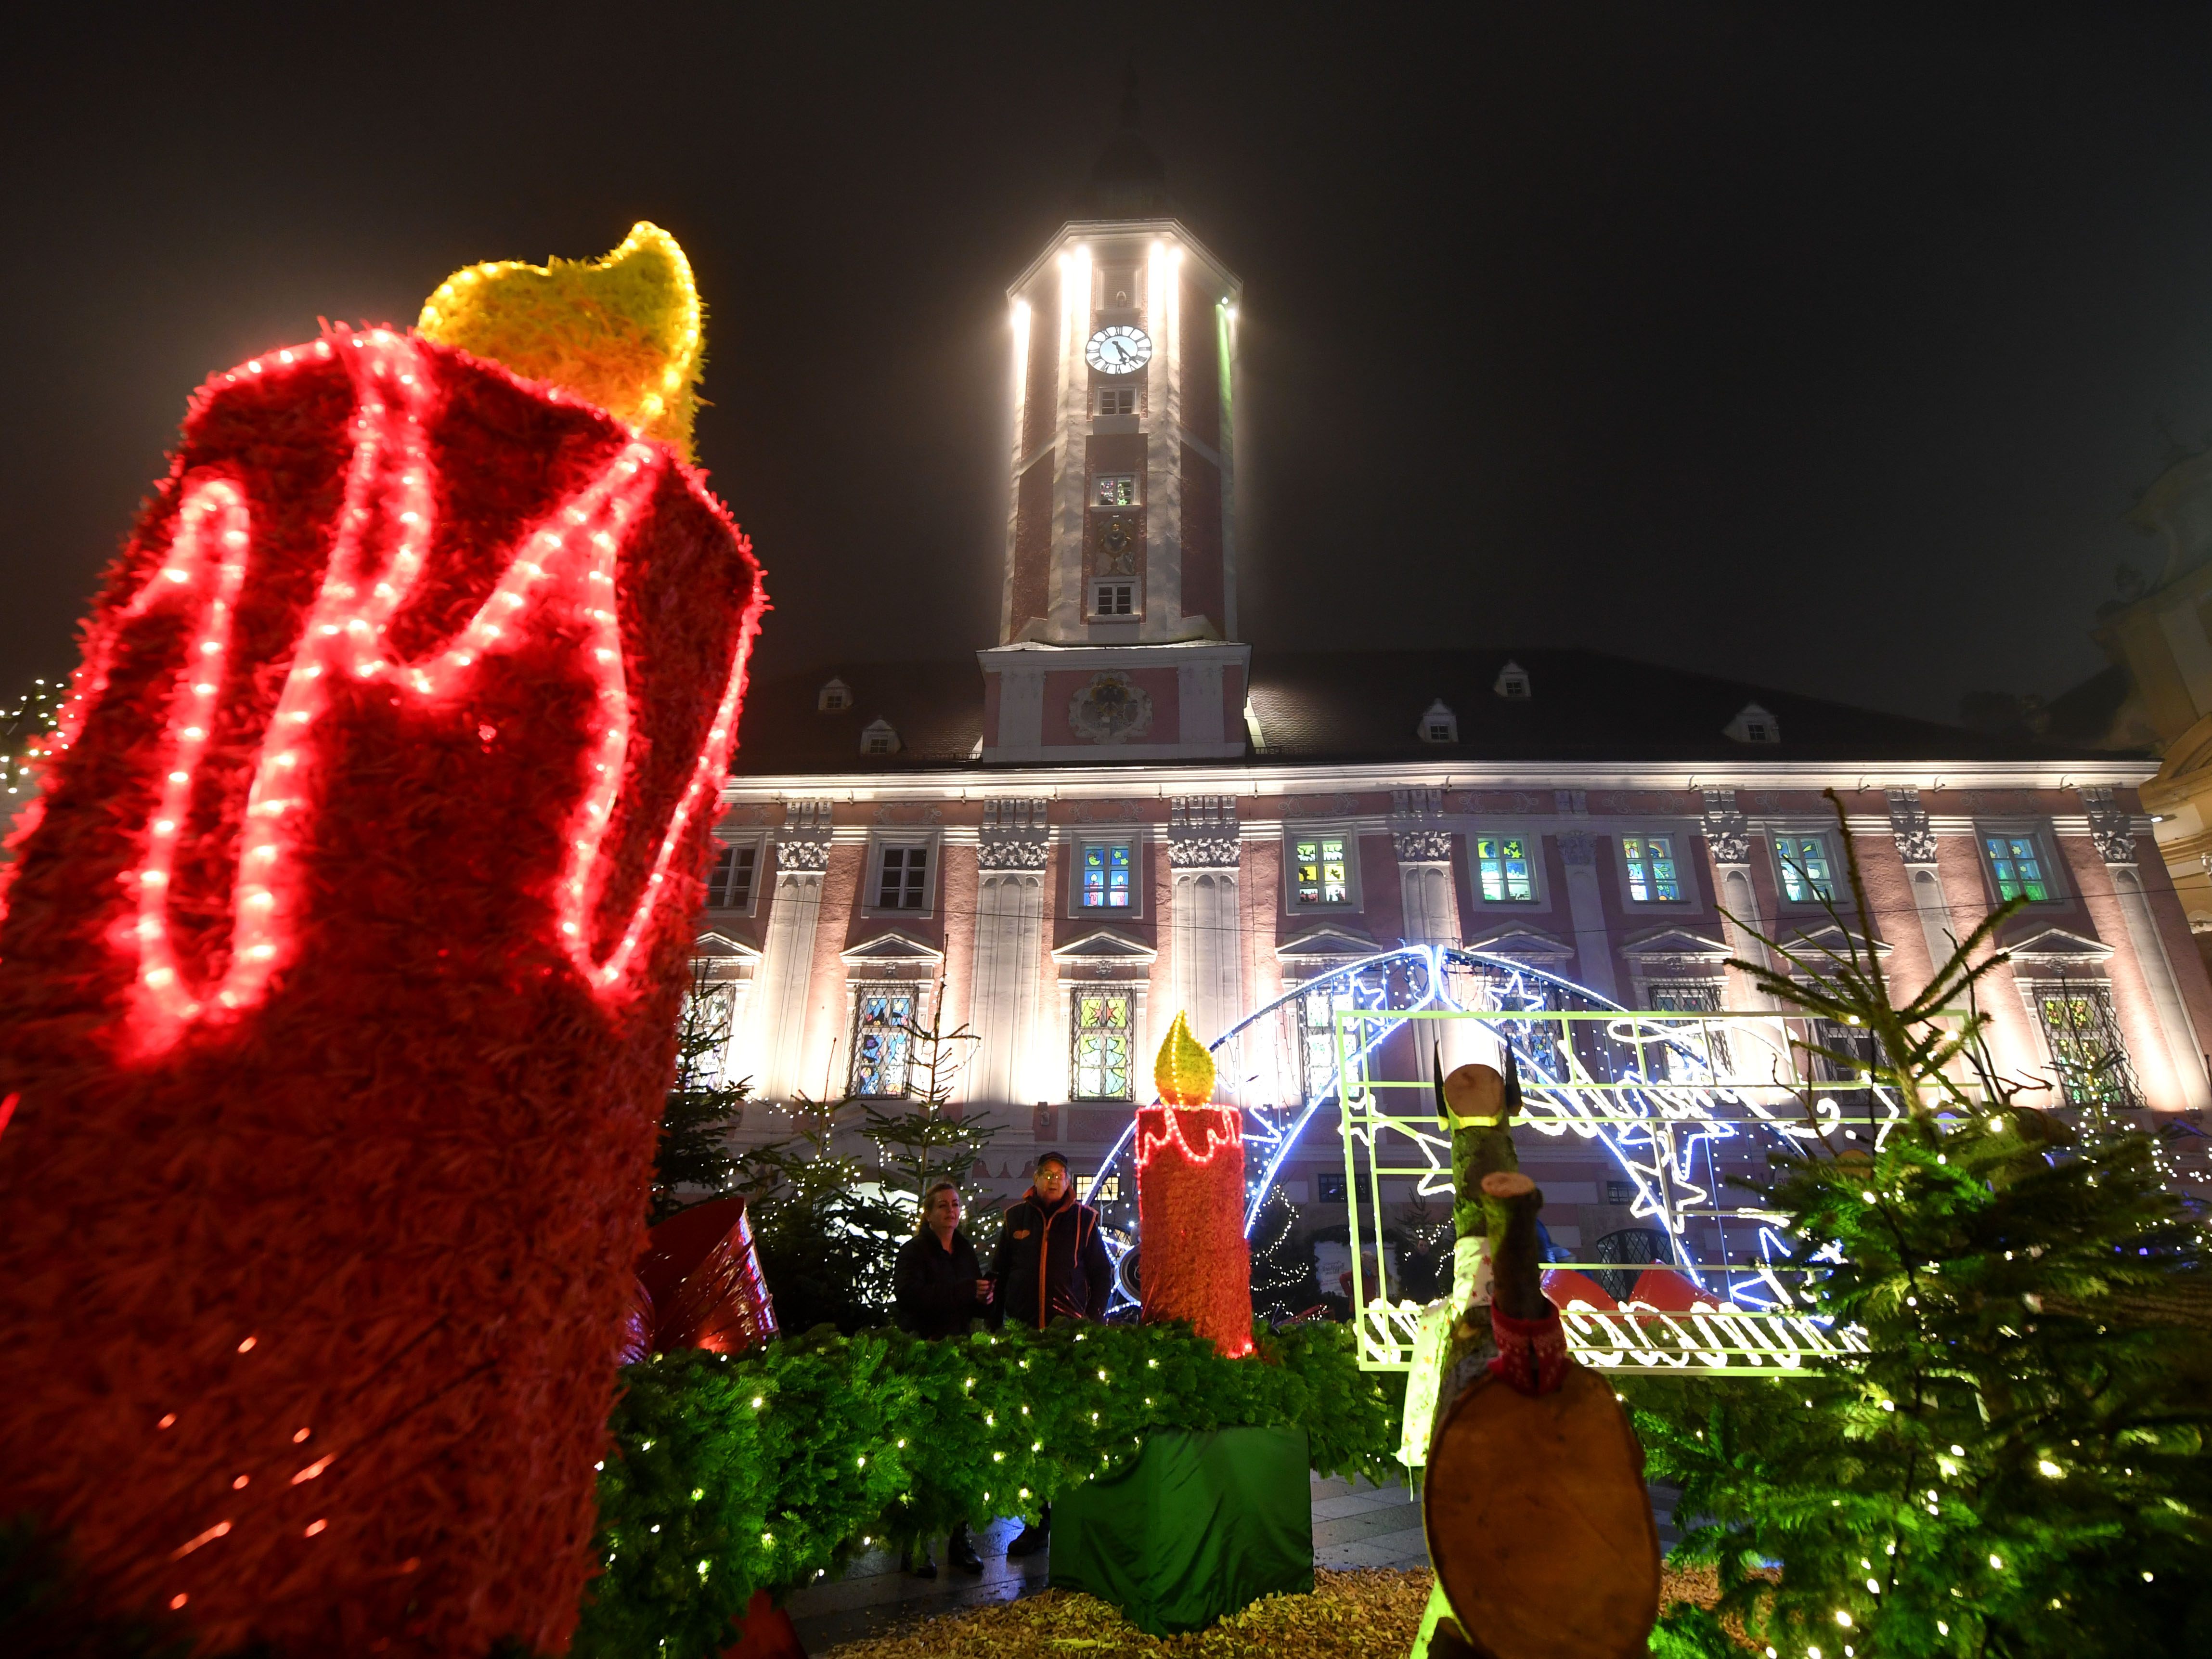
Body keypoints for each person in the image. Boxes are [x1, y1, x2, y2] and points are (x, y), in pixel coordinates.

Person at [988, 1150, 1112, 1557]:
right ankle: (1036, 1522)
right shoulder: (1014, 1219)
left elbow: (1101, 1273)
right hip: (1024, 1338)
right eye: (1045, 1174)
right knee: (1030, 1434)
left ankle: (1074, 1513)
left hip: (1065, 1342)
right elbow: (999, 1273)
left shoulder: (1085, 1220)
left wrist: (1091, 1320)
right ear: (1036, 1178)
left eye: (1060, 1175)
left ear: (1068, 1180)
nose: (1053, 1180)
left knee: (1068, 1429)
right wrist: (995, 1326)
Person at [892, 1180, 993, 1577]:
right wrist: (963, 1290)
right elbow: (912, 1297)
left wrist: (983, 1298)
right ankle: (915, 1543)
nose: (951, 1211)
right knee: (923, 1453)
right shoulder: (914, 1252)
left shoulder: (965, 1250)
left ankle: (959, 1539)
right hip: (927, 1355)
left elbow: (967, 1301)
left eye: (955, 1205)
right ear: (928, 1214)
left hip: (961, 1356)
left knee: (963, 1450)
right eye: (943, 1206)